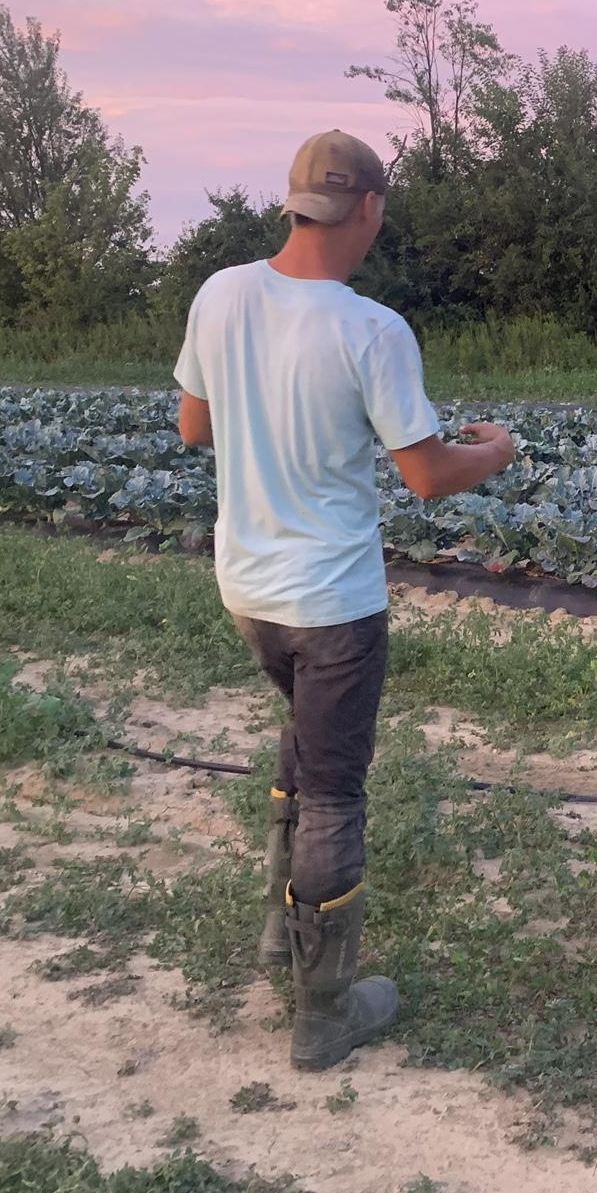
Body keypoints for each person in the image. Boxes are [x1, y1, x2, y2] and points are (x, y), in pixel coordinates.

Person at [174, 130, 515, 1071]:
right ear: (366, 209)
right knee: (333, 792)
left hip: (248, 591)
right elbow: (427, 477)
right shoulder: (370, 328)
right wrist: (496, 450)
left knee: (301, 747)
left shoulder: (221, 294)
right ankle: (326, 1013)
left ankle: (281, 939)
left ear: (294, 204)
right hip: (333, 602)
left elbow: (192, 425)